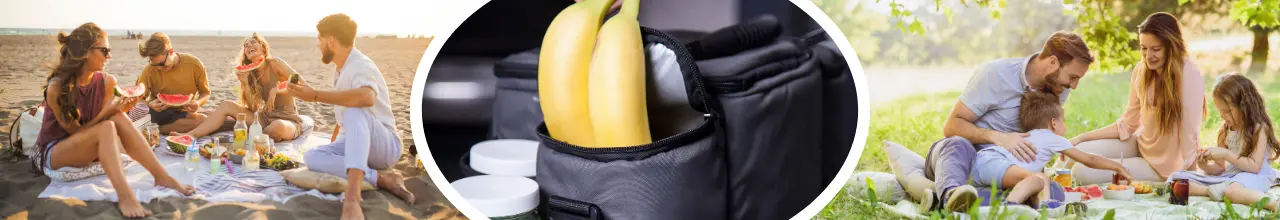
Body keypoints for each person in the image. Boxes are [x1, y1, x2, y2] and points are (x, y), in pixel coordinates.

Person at [911, 31, 1094, 213]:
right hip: (961, 160)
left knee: (1052, 191)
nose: (1074, 86)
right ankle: (951, 195)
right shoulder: (996, 74)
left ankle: (949, 202)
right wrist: (998, 137)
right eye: (1073, 77)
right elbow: (951, 126)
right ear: (1053, 62)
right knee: (957, 144)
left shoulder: (1059, 87)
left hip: (1001, 170)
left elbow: (1042, 135)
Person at [31, 23, 194, 219]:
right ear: (85, 53)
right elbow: (75, 132)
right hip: (55, 151)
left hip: (87, 146)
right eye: (104, 50)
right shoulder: (57, 87)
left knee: (116, 117)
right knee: (108, 124)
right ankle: (125, 196)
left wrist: (121, 110)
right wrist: (105, 114)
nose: (109, 56)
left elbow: (106, 122)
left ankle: (161, 176)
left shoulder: (108, 82)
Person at [284, 13, 414, 220]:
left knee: (355, 108)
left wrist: (316, 96)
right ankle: (382, 179)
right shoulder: (341, 68)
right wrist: (333, 148)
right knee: (312, 157)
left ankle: (353, 201)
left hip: (384, 146)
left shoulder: (360, 65)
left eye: (319, 40)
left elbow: (367, 97)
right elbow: (343, 121)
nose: (318, 45)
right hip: (357, 140)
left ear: (330, 41)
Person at [1066, 12, 1207, 185]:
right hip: (1140, 145)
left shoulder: (1188, 75)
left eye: (1156, 49)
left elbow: (1189, 134)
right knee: (1077, 151)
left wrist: (1189, 181)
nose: (1148, 56)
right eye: (1143, 48)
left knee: (1081, 173)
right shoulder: (1142, 70)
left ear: (1171, 47)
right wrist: (1082, 137)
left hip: (1163, 167)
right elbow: (1128, 124)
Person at [966, 91, 1132, 208]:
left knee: (1037, 183)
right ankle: (1012, 207)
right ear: (1053, 123)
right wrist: (1117, 166)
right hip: (995, 163)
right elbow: (1089, 159)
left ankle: (1018, 205)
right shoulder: (1053, 138)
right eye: (1063, 121)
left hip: (979, 164)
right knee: (1040, 180)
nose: (1065, 126)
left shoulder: (1030, 135)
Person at [1168, 73, 1279, 211]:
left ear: (1245, 106)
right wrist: (1204, 166)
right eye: (1220, 111)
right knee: (1176, 180)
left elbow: (1254, 167)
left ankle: (1274, 205)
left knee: (1232, 191)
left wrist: (1226, 154)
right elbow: (1220, 169)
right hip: (1230, 176)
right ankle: (1212, 190)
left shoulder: (1259, 128)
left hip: (1255, 176)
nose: (1222, 115)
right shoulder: (1225, 130)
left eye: (1227, 111)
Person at [173, 33, 304, 141]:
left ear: (263, 47)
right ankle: (191, 136)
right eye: (246, 46)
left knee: (277, 127)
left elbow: (299, 80)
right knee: (226, 105)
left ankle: (257, 136)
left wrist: (276, 89)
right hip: (264, 119)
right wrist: (245, 83)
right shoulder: (251, 74)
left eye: (253, 42)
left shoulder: (275, 63)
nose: (248, 46)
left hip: (287, 119)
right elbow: (253, 107)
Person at [135, 32, 221, 134]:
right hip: (158, 113)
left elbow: (205, 93)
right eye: (155, 65)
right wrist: (150, 104)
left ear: (171, 52)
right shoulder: (149, 70)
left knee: (202, 120)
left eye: (162, 64)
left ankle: (154, 130)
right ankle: (151, 128)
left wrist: (198, 103)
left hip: (182, 113)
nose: (159, 68)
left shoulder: (194, 64)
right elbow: (137, 99)